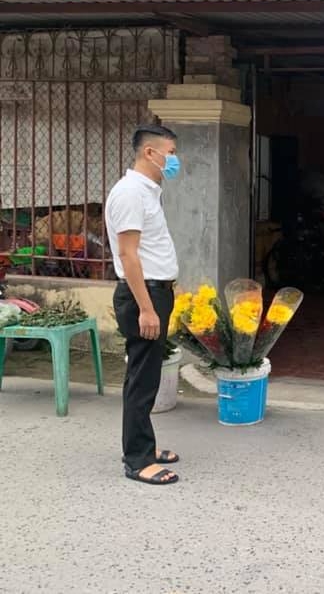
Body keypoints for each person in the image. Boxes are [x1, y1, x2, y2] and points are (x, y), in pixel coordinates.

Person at [106, 124, 181, 486]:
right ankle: (137, 459)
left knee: (146, 373)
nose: (175, 160)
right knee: (142, 377)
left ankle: (144, 446)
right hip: (143, 296)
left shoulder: (147, 192)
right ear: (151, 153)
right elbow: (128, 255)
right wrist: (147, 308)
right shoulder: (131, 193)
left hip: (155, 292)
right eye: (171, 152)